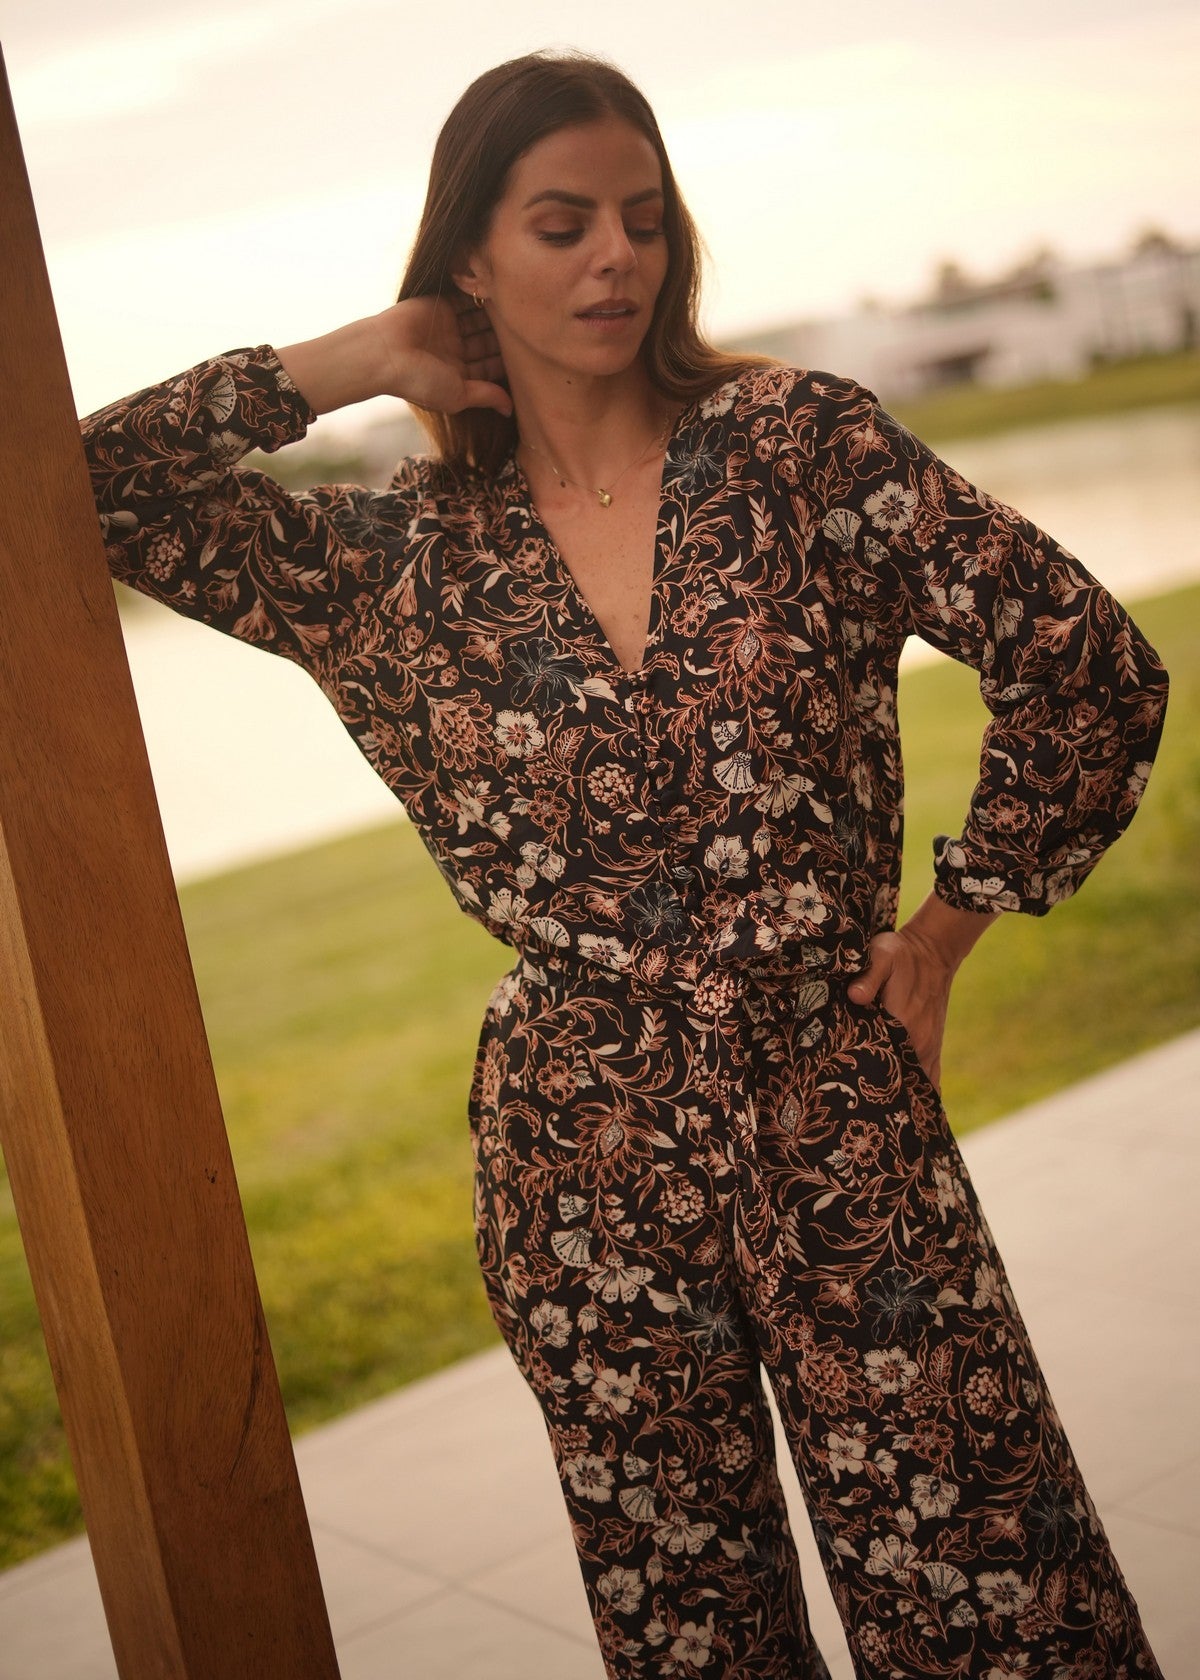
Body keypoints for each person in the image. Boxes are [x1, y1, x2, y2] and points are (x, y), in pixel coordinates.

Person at [83, 49, 1167, 1680]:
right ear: (469, 258)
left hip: (835, 1101)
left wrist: (949, 927)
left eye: (644, 221)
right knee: (692, 1632)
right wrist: (356, 357)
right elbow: (78, 491)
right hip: (579, 1150)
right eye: (563, 225)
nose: (616, 259)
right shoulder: (393, 563)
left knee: (994, 1597)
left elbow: (1085, 665)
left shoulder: (797, 448)